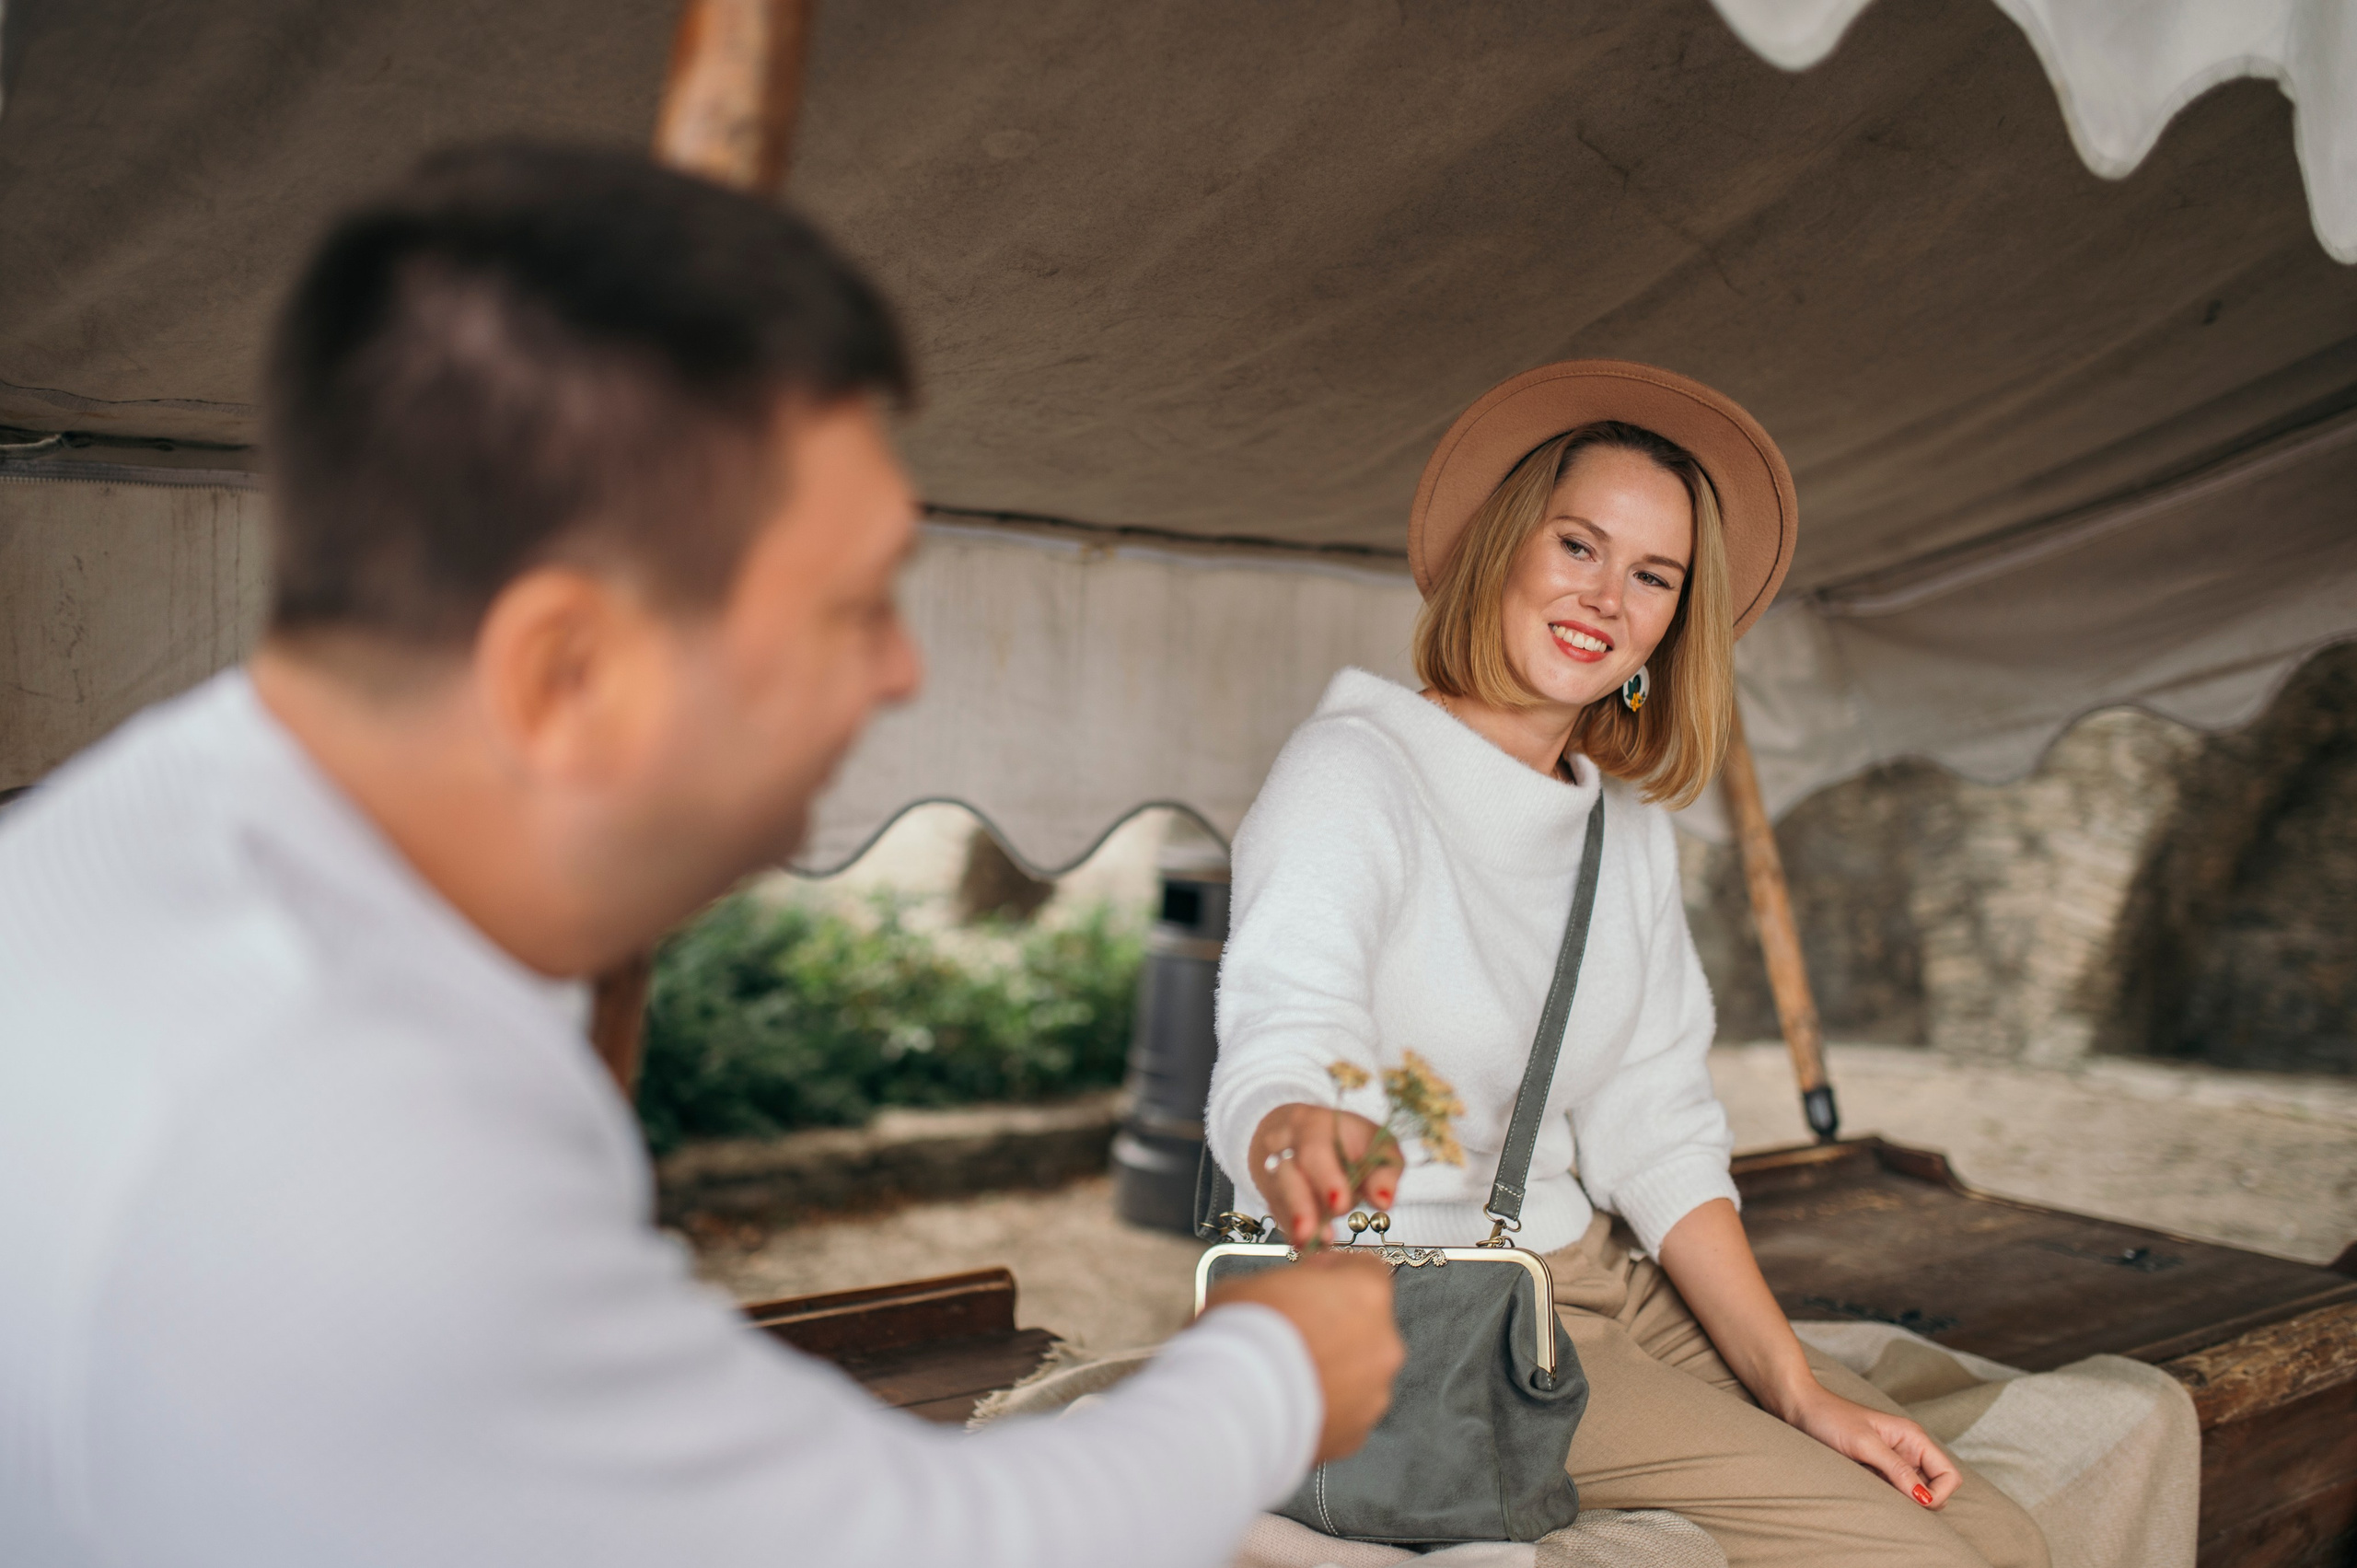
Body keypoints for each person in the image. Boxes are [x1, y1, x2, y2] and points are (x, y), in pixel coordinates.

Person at [0, 143, 1402, 1568]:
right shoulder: (359, 1139)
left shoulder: (154, 841)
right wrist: (1273, 1373)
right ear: (566, 669)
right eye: (852, 610)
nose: (905, 672)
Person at [1206, 362, 2050, 1567]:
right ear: (1506, 544)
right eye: (1579, 546)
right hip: (1433, 1316)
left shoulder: (1625, 830)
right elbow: (1285, 1018)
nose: (1606, 596)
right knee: (1917, 1559)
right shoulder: (1356, 771)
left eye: (1653, 575)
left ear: (1671, 623)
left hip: (1603, 1278)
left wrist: (1793, 1384)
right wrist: (1289, 1125)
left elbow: (1653, 1124)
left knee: (1988, 1529)